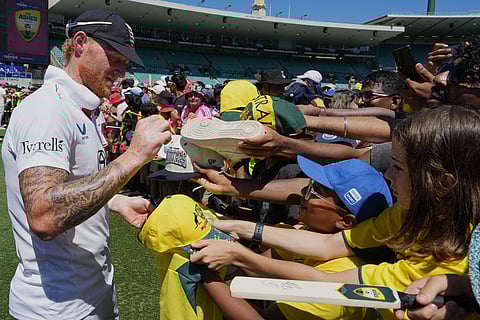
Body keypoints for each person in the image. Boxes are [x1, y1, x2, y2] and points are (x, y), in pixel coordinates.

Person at [190, 105, 480, 320]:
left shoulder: (443, 265)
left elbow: (332, 283)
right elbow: (330, 244)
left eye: (399, 167)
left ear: (443, 183)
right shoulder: (407, 215)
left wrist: (240, 258)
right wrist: (243, 227)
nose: (389, 174)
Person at [2, 9, 172, 319]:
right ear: (80, 43)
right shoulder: (47, 109)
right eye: (115, 56)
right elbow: (44, 215)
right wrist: (134, 155)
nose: (122, 69)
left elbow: (72, 186)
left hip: (93, 293)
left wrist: (114, 200)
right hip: (57, 307)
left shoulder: (80, 108)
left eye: (126, 61)